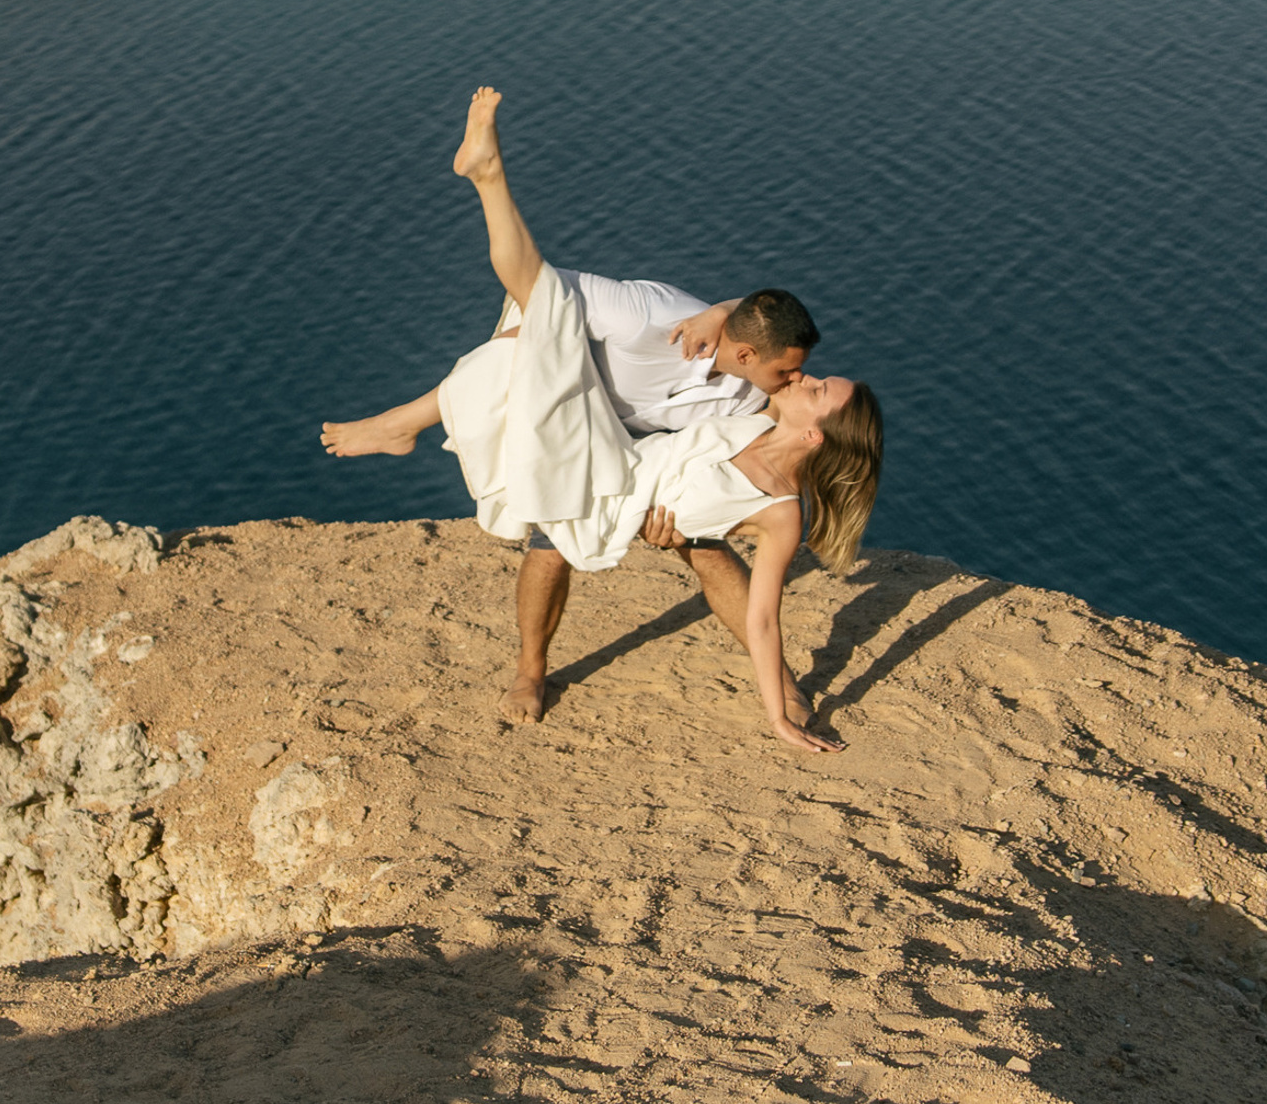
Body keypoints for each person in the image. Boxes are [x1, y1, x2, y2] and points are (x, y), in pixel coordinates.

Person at [323, 89, 883, 752]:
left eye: (802, 379)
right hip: (576, 399)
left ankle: (779, 681)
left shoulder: (751, 403)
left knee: (702, 543)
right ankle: (531, 668)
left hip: (641, 450)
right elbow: (529, 279)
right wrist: (491, 183)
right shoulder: (645, 317)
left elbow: (782, 451)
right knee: (524, 368)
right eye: (789, 372)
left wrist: (683, 514)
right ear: (743, 353)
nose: (794, 382)